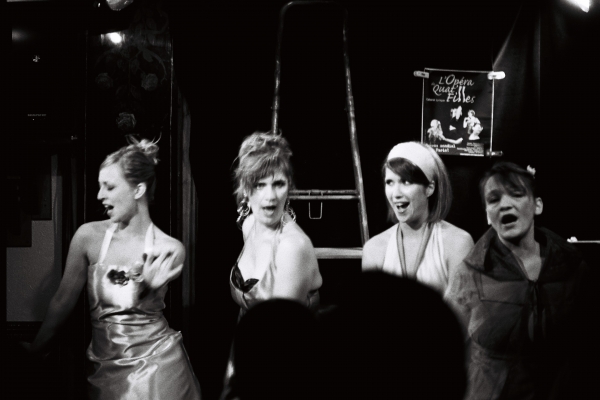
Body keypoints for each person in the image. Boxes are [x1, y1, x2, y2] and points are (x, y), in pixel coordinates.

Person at [22, 137, 201, 399]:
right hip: (103, 371)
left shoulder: (169, 248)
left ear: (138, 189)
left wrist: (145, 288)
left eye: (109, 187)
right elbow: (62, 301)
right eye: (99, 186)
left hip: (157, 372)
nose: (100, 195)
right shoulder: (88, 237)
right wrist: (36, 348)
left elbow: (133, 302)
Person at [444, 161, 593, 399]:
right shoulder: (469, 274)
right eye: (494, 199)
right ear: (487, 215)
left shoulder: (573, 268)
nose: (505, 204)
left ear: (537, 205)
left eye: (516, 194)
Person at [221, 131, 322, 399]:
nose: (270, 196)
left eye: (278, 184)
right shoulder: (250, 225)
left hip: (281, 369)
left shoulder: (292, 247)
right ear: (246, 189)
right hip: (246, 353)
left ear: (290, 186)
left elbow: (279, 340)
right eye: (259, 185)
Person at [362, 141, 474, 294]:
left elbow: (461, 308)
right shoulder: (374, 249)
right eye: (390, 182)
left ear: (429, 188)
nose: (396, 194)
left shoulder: (457, 244)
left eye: (406, 182)